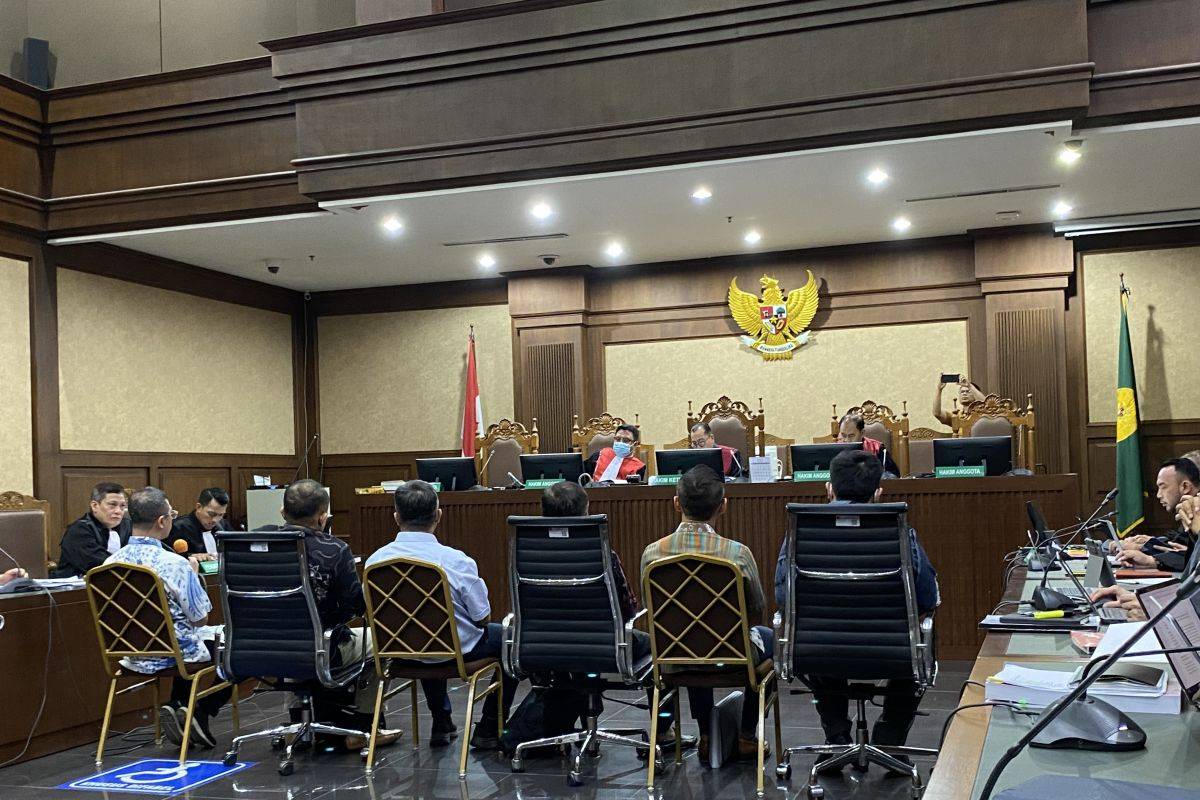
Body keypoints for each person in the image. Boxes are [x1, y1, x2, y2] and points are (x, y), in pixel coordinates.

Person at [776, 450, 939, 769]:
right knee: (927, 634)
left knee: (817, 625)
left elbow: (784, 596)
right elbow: (927, 598)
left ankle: (836, 736)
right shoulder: (901, 534)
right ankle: (890, 736)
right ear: (879, 492)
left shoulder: (801, 535)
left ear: (829, 489)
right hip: (892, 652)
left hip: (818, 651)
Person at [539, 482, 693, 750]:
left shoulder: (528, 553)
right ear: (586, 512)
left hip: (544, 647)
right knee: (661, 644)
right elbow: (628, 610)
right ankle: (663, 732)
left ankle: (575, 723)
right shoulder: (602, 555)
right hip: (605, 645)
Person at [366, 480, 515, 751]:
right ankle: (489, 728)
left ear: (396, 517)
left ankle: (442, 721)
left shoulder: (374, 562)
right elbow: (482, 617)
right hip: (456, 653)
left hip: (399, 652)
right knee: (512, 640)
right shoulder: (456, 561)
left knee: (421, 634)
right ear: (438, 515)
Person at [640, 465, 771, 760]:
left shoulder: (652, 553)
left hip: (674, 657)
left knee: (690, 636)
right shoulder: (738, 554)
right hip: (735, 654)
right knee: (768, 639)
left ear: (677, 503)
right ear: (723, 506)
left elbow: (653, 611)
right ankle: (747, 735)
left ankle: (706, 735)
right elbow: (757, 610)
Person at [258, 479, 399, 750]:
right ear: (323, 517)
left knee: (294, 635)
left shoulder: (251, 542)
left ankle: (296, 724)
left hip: (260, 647)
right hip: (320, 647)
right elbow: (356, 606)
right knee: (383, 641)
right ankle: (364, 728)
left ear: (282, 513)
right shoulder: (335, 549)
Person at [103, 486, 232, 749]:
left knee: (181, 636)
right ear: (162, 521)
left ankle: (177, 705)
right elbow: (200, 619)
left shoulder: (108, 565)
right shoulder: (175, 564)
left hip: (131, 655)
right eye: (171, 514)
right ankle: (200, 710)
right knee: (235, 643)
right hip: (177, 654)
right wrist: (192, 574)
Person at [1112, 459, 1199, 572]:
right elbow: (1178, 543)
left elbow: (1191, 558)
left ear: (1185, 487)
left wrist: (1148, 555)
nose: (1158, 495)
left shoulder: (1195, 511)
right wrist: (1148, 543)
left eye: (1163, 487)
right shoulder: (1187, 511)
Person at [51, 482, 132, 577]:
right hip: (76, 584)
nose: (118, 511)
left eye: (122, 506)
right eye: (112, 505)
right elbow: (99, 565)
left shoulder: (127, 525)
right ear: (94, 506)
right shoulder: (79, 531)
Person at [165, 487, 231, 559]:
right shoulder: (177, 527)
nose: (215, 520)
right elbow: (167, 557)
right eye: (211, 514)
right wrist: (190, 557)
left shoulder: (223, 525)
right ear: (199, 507)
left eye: (221, 515)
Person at [836, 413, 900, 477]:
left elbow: (893, 475)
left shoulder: (877, 448)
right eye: (843, 435)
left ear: (862, 433)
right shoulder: (835, 449)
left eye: (851, 436)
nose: (847, 440)